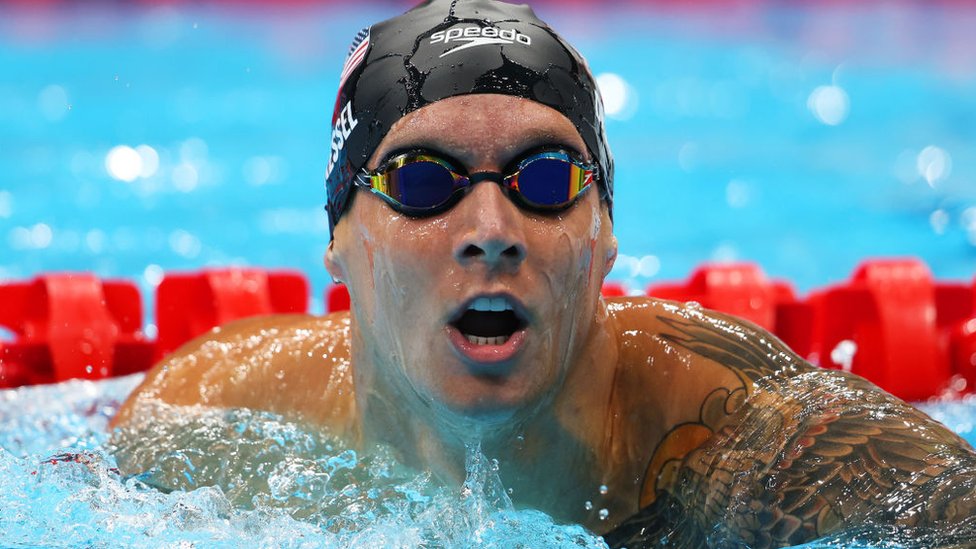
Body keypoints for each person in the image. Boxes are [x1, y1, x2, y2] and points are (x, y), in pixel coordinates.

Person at [112, 0, 976, 546]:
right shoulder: (209, 421)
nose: (492, 231)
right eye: (422, 183)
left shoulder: (745, 440)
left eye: (545, 180)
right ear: (338, 239)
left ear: (604, 235)